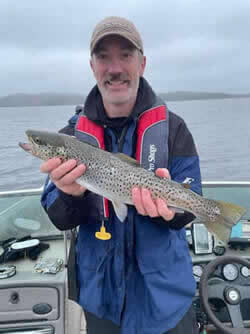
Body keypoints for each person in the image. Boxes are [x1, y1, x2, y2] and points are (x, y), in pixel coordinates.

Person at [40, 16, 201, 334]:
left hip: (167, 302)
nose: (114, 68)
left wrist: (166, 214)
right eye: (104, 57)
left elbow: (188, 209)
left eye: (125, 55)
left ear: (142, 63)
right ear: (92, 65)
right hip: (103, 303)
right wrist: (69, 195)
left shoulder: (174, 130)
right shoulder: (69, 138)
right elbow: (58, 218)